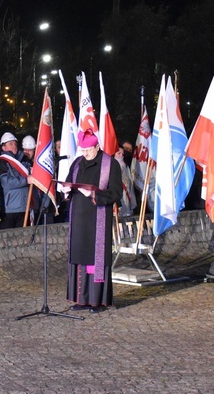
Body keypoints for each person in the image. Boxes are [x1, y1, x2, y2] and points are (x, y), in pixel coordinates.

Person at [59, 130, 123, 313]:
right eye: (83, 149)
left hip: (97, 219)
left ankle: (97, 301)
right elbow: (68, 183)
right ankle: (81, 299)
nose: (85, 153)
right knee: (80, 259)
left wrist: (95, 194)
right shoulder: (77, 163)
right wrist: (66, 191)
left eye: (89, 149)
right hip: (79, 219)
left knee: (95, 260)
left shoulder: (110, 165)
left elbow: (116, 193)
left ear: (97, 147)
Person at [0, 132, 29, 229]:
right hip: (9, 209)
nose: (14, 146)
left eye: (15, 143)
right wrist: (26, 180)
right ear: (3, 147)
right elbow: (7, 183)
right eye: (10, 144)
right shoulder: (1, 162)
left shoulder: (23, 160)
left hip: (24, 206)